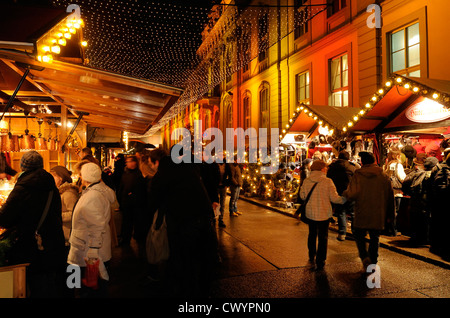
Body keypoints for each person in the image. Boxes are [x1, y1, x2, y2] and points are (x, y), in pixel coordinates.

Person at [147, 152, 219, 297]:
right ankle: (205, 290)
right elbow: (210, 181)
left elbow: (154, 198)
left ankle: (187, 292)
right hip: (204, 219)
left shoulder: (165, 172)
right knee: (204, 257)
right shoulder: (192, 168)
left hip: (183, 221)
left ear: (157, 162)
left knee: (185, 260)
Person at [0, 151, 66, 297]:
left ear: (23, 167)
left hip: (32, 246)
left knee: (35, 285)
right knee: (49, 284)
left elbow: (4, 219)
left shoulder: (23, 187)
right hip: (52, 243)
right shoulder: (51, 186)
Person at [67, 162, 116, 297]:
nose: (80, 177)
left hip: (86, 250)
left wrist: (93, 250)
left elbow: (96, 226)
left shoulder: (92, 197)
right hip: (85, 247)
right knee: (87, 285)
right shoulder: (96, 191)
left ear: (86, 177)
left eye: (81, 174)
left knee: (87, 287)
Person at [343, 151, 395, 271]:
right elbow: (390, 196)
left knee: (359, 235)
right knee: (374, 238)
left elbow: (352, 193)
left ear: (362, 162)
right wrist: (391, 214)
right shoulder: (383, 175)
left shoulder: (359, 174)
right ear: (374, 161)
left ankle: (364, 256)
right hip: (378, 212)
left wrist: (345, 193)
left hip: (362, 210)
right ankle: (373, 263)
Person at [299, 160, 346, 270]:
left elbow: (302, 196)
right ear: (322, 169)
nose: (326, 169)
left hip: (310, 213)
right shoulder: (328, 181)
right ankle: (321, 259)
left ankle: (311, 254)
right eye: (325, 167)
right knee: (323, 237)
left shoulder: (307, 180)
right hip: (324, 214)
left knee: (312, 234)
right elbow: (334, 198)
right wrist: (345, 199)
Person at [402, 156, 437, 246]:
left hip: (414, 202)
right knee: (425, 222)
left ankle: (415, 238)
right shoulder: (433, 175)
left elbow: (405, 185)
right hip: (425, 203)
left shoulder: (416, 173)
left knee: (415, 220)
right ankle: (424, 239)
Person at [326, 150, 360, 241]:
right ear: (348, 158)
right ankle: (355, 233)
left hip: (338, 192)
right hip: (350, 192)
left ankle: (342, 233)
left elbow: (328, 179)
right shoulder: (352, 167)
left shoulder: (332, 167)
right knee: (353, 213)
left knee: (341, 212)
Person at [117, 155, 146, 248]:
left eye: (130, 161)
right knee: (126, 222)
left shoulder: (139, 174)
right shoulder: (126, 173)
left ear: (135, 162)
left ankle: (138, 238)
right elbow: (121, 187)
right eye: (127, 162)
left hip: (136, 203)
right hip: (126, 202)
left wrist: (132, 194)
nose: (129, 163)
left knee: (136, 222)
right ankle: (125, 239)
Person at [49, 166, 79, 247]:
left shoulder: (68, 193)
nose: (51, 179)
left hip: (67, 234)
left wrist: (57, 216)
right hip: (62, 233)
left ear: (61, 178)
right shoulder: (59, 191)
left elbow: (74, 213)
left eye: (53, 176)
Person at [428, 151, 450, 259]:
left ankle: (437, 245)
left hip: (438, 201)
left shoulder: (437, 168)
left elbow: (430, 184)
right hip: (445, 201)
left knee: (439, 223)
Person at [383, 149, 406, 236]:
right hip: (397, 191)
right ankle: (394, 230)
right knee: (396, 212)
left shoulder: (387, 165)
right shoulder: (398, 165)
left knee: (390, 211)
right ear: (397, 156)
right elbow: (402, 177)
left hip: (389, 191)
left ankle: (388, 229)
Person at [217, 159, 231, 228]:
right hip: (216, 186)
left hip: (223, 187)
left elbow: (230, 175)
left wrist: (227, 184)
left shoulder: (226, 165)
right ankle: (215, 218)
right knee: (216, 203)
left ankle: (220, 219)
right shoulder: (215, 163)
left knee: (222, 203)